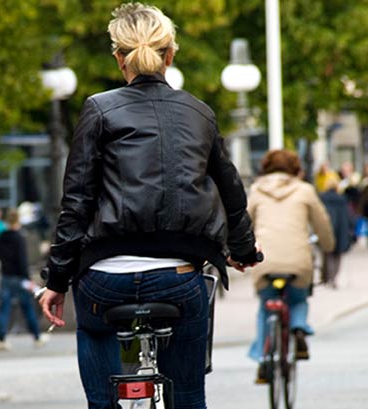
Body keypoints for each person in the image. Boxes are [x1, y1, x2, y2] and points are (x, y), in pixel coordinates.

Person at [39, 3, 259, 408]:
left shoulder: (99, 108)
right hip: (177, 276)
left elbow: (76, 202)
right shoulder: (200, 113)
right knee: (189, 395)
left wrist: (56, 281)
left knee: (95, 337)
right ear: (169, 55)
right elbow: (231, 191)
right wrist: (243, 250)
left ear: (119, 57)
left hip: (104, 279)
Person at [247, 150, 335, 382]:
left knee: (266, 306)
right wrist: (328, 245)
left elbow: (243, 223)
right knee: (298, 298)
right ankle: (298, 326)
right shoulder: (304, 190)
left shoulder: (256, 191)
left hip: (264, 260)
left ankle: (262, 358)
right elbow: (322, 224)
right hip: (297, 262)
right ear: (296, 169)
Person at [0, 209, 47, 351]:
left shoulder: (2, 236)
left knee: (4, 308)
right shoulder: (19, 237)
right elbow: (22, 260)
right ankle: (36, 336)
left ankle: (1, 339)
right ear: (17, 221)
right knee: (27, 307)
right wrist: (27, 278)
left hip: (5, 276)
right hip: (19, 277)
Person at [320, 178, 353, 288]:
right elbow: (349, 216)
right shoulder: (342, 199)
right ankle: (333, 278)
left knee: (327, 255)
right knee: (337, 255)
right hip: (341, 230)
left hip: (328, 229)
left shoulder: (322, 198)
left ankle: (327, 278)